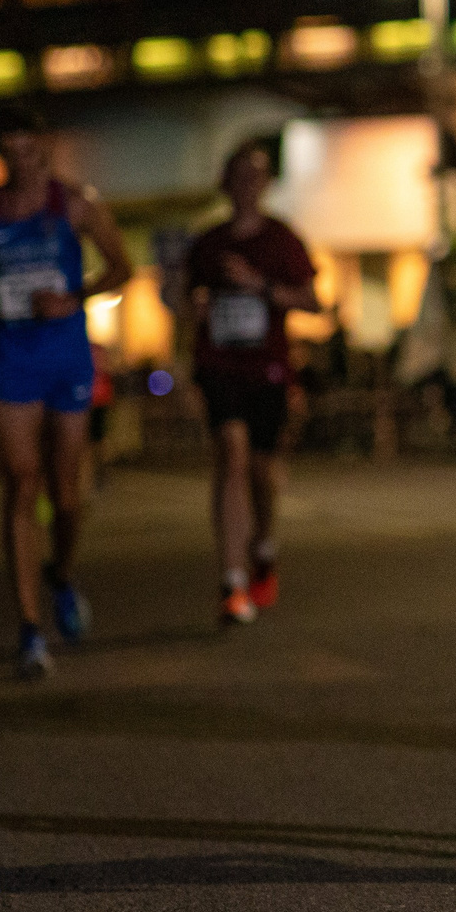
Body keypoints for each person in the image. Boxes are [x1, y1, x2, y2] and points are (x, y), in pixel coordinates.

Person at [0, 106, 134, 678]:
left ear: (44, 151)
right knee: (21, 485)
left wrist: (76, 298)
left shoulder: (72, 205)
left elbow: (122, 266)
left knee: (66, 495)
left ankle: (61, 575)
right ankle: (29, 629)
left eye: (32, 153)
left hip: (67, 357)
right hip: (12, 361)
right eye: (12, 153)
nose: (23, 164)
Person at [187, 138, 321, 627]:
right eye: (239, 175)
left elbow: (312, 302)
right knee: (231, 452)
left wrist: (260, 287)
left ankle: (264, 544)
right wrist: (195, 310)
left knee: (263, 471)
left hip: (268, 368)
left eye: (257, 175)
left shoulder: (282, 240)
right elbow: (184, 303)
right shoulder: (207, 244)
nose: (248, 185)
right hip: (219, 366)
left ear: (267, 184)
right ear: (225, 184)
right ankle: (232, 580)